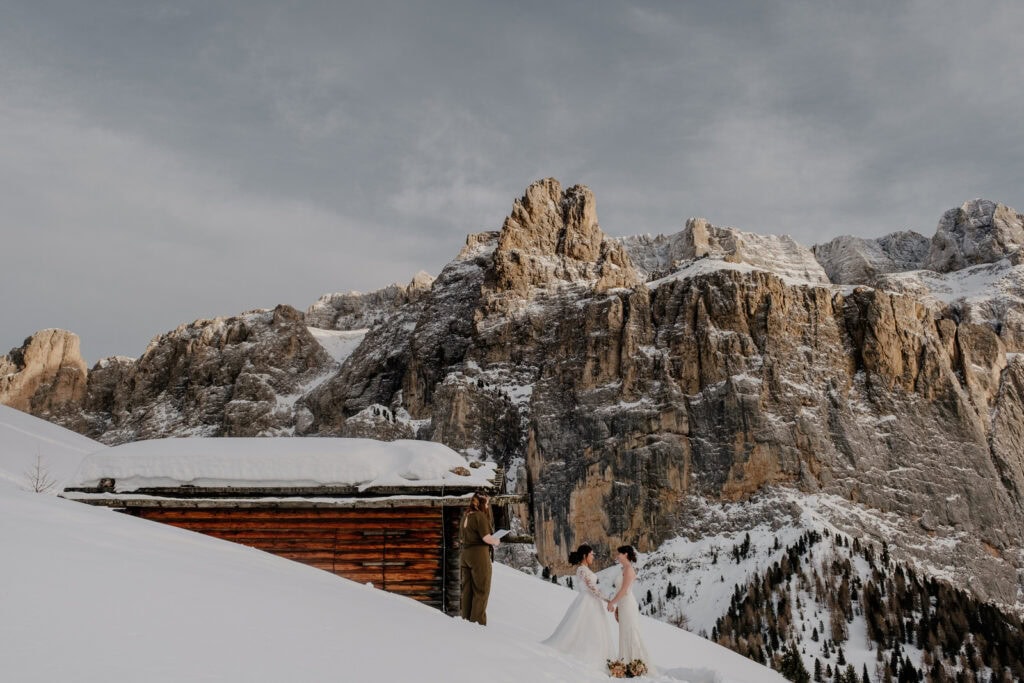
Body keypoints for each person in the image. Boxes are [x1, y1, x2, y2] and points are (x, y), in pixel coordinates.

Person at [541, 544, 615, 670]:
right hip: (587, 602)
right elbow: (592, 588)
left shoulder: (585, 569)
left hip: (592, 602)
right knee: (584, 628)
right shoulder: (581, 570)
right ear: (585, 556)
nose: (593, 557)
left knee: (595, 630)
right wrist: (607, 600)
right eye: (591, 554)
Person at [606, 545, 651, 669]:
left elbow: (624, 590)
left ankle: (636, 664)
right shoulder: (624, 568)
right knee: (624, 632)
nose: (617, 556)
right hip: (623, 605)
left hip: (628, 604)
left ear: (625, 554)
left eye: (619, 554)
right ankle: (626, 662)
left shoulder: (629, 569)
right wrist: (618, 607)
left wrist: (612, 603)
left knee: (631, 632)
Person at [459, 491, 501, 625]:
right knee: (481, 590)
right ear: (482, 503)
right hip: (479, 556)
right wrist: (496, 541)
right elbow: (486, 538)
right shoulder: (480, 516)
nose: (488, 505)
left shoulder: (466, 516)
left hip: (465, 555)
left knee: (467, 591)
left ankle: (465, 620)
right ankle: (477, 624)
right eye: (487, 503)